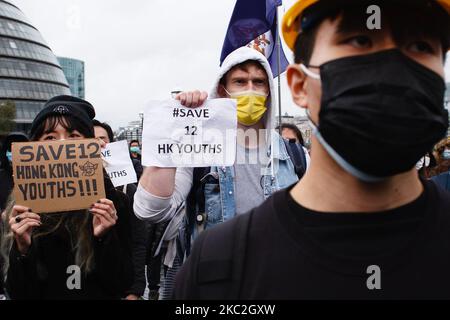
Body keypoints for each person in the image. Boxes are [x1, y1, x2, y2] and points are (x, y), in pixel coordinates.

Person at [174, 0, 450, 299]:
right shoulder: (217, 264)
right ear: (300, 85)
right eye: (359, 40)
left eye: (420, 45)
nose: (392, 66)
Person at [134, 46, 299, 298]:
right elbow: (151, 210)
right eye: (240, 81)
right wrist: (176, 127)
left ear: (268, 91)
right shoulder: (199, 152)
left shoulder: (296, 156)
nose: (251, 90)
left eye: (259, 82)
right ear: (223, 90)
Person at [0, 95, 133, 299]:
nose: (61, 145)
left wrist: (105, 238)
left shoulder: (112, 203)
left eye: (73, 136)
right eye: (50, 138)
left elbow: (122, 283)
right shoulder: (20, 210)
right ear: (34, 147)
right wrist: (23, 249)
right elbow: (16, 292)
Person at [93, 119, 147, 300]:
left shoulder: (127, 189)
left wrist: (136, 290)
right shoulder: (71, 192)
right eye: (92, 140)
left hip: (120, 283)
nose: (99, 144)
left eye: (103, 139)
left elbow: (138, 240)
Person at [0, 132, 29, 212]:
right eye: (11, 149)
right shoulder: (1, 176)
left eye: (20, 149)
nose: (15, 152)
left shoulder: (35, 175)